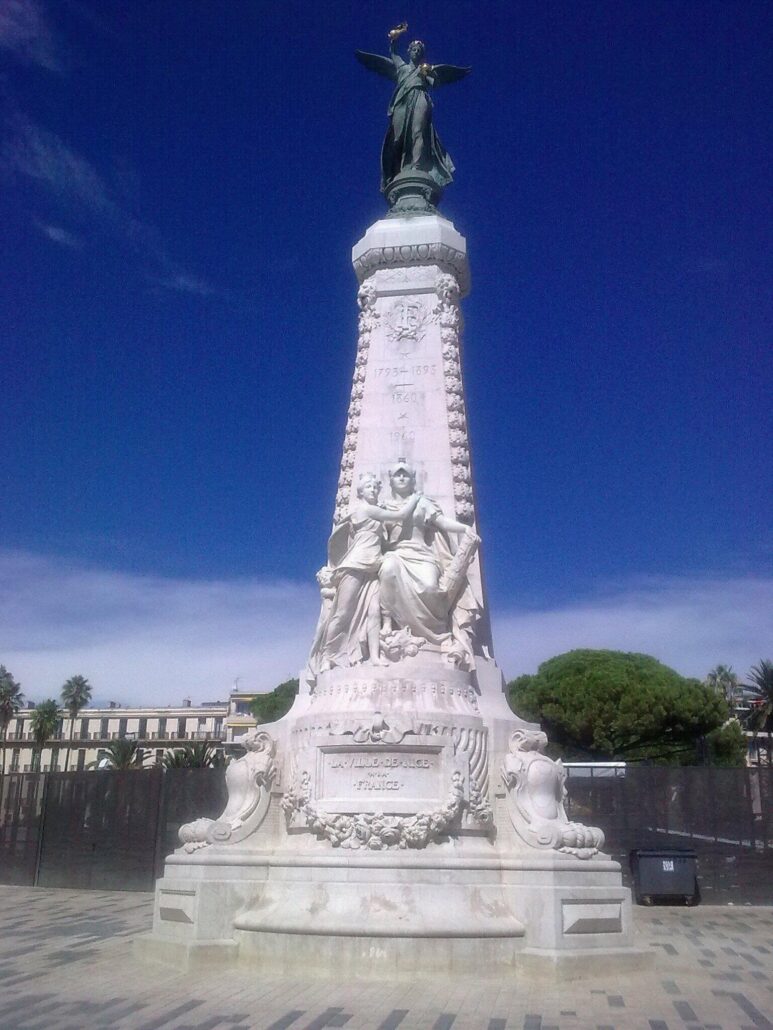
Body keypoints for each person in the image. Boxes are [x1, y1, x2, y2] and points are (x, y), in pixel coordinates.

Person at [312, 473, 421, 671]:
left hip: (374, 568)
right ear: (360, 491)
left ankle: (375, 657)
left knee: (374, 614)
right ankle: (328, 656)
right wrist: (414, 498)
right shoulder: (364, 510)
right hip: (355, 566)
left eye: (374, 487)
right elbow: (400, 516)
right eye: (368, 487)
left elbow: (385, 541)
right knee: (342, 613)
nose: (372, 490)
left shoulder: (375, 513)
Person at [379, 461, 481, 667]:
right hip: (397, 553)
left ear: (412, 479)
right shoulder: (383, 507)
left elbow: (442, 522)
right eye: (397, 475)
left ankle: (436, 634)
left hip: (422, 554)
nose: (401, 478)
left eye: (405, 475)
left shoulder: (422, 502)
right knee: (388, 567)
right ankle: (388, 624)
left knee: (429, 586)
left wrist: (464, 529)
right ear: (390, 480)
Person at [355, 25, 469, 194]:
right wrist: (395, 38)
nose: (415, 51)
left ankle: (416, 167)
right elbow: (393, 53)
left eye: (418, 50)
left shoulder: (424, 71)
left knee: (418, 132)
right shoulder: (402, 67)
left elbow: (436, 83)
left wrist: (430, 71)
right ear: (408, 52)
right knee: (397, 137)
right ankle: (396, 170)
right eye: (413, 49)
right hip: (402, 102)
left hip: (420, 98)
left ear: (421, 54)